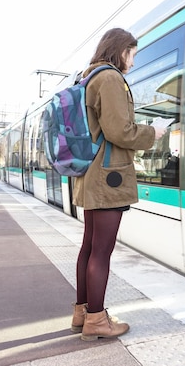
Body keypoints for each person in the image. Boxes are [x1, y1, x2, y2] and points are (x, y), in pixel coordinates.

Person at [70, 28, 166, 341]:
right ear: (120, 50)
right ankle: (97, 320)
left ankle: (83, 312)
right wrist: (154, 132)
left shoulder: (87, 77)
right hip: (107, 176)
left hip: (90, 175)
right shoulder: (109, 78)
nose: (133, 62)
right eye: (132, 54)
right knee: (101, 251)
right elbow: (119, 131)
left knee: (89, 247)